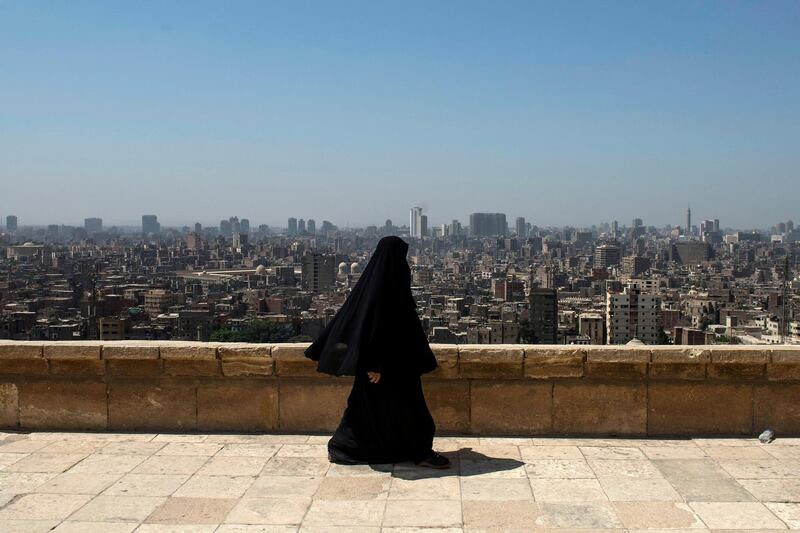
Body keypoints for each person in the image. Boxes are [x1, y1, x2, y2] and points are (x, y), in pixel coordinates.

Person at [304, 236, 451, 468]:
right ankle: (420, 452)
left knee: (366, 411)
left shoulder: (382, 284)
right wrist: (374, 364)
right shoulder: (384, 290)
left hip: (392, 364)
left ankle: (344, 447)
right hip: (386, 368)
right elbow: (374, 328)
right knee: (409, 410)